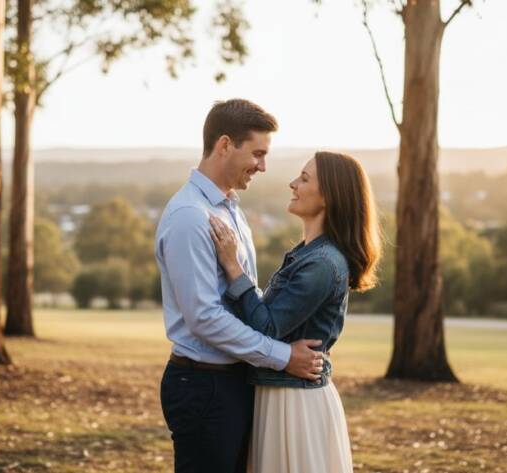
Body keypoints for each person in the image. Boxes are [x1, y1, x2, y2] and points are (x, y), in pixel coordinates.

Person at [155, 99, 324, 473]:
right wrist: (283, 356)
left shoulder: (229, 208)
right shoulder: (189, 218)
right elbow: (204, 318)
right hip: (204, 386)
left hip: (233, 381)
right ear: (225, 145)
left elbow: (243, 294)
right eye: (258, 154)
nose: (263, 166)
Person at [208, 151, 382, 473]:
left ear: (329, 196)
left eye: (304, 179)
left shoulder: (321, 263)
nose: (293, 183)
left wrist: (233, 267)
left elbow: (267, 325)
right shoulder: (307, 255)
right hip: (280, 393)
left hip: (294, 403)